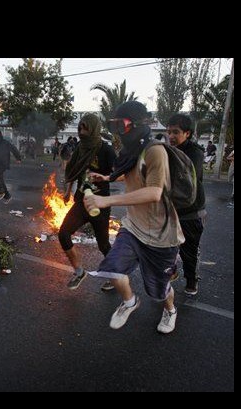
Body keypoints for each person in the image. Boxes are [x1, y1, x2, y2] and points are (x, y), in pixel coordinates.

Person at [83, 101, 184, 334]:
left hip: (161, 235)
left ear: (136, 124)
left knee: (159, 290)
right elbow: (131, 173)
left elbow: (154, 192)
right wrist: (107, 179)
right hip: (133, 227)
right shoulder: (132, 151)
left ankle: (170, 310)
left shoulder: (155, 150)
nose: (117, 130)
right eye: (114, 125)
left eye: (121, 125)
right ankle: (129, 302)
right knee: (112, 268)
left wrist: (106, 200)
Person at [58, 113, 117, 291]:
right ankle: (79, 271)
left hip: (99, 203)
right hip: (81, 201)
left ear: (93, 128)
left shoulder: (106, 150)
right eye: (80, 128)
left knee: (103, 245)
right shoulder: (80, 148)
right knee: (63, 233)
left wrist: (104, 177)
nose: (82, 132)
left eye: (85, 128)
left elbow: (118, 174)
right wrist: (68, 191)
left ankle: (116, 275)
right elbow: (74, 170)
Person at [166, 114, 206, 296]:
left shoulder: (194, 153)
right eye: (169, 132)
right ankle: (170, 270)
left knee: (188, 249)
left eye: (176, 132)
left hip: (191, 211)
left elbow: (186, 180)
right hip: (171, 208)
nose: (171, 136)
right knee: (166, 244)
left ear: (187, 133)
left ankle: (191, 280)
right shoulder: (168, 151)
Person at [0, 127, 22, 204]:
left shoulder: (4, 142)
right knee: (1, 181)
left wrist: (18, 158)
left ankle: (1, 192)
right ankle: (7, 197)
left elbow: (13, 149)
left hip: (3, 163)